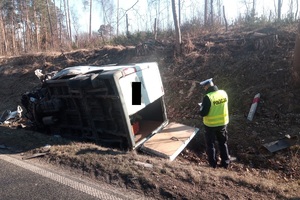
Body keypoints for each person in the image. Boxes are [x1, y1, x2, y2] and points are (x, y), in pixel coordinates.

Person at [199, 78, 230, 169]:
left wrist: (201, 108)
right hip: (223, 123)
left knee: (211, 144)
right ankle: (225, 163)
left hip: (211, 125)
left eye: (204, 87)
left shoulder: (208, 97)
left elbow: (203, 113)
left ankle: (213, 164)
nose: (204, 89)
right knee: (223, 143)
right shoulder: (223, 93)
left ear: (207, 86)